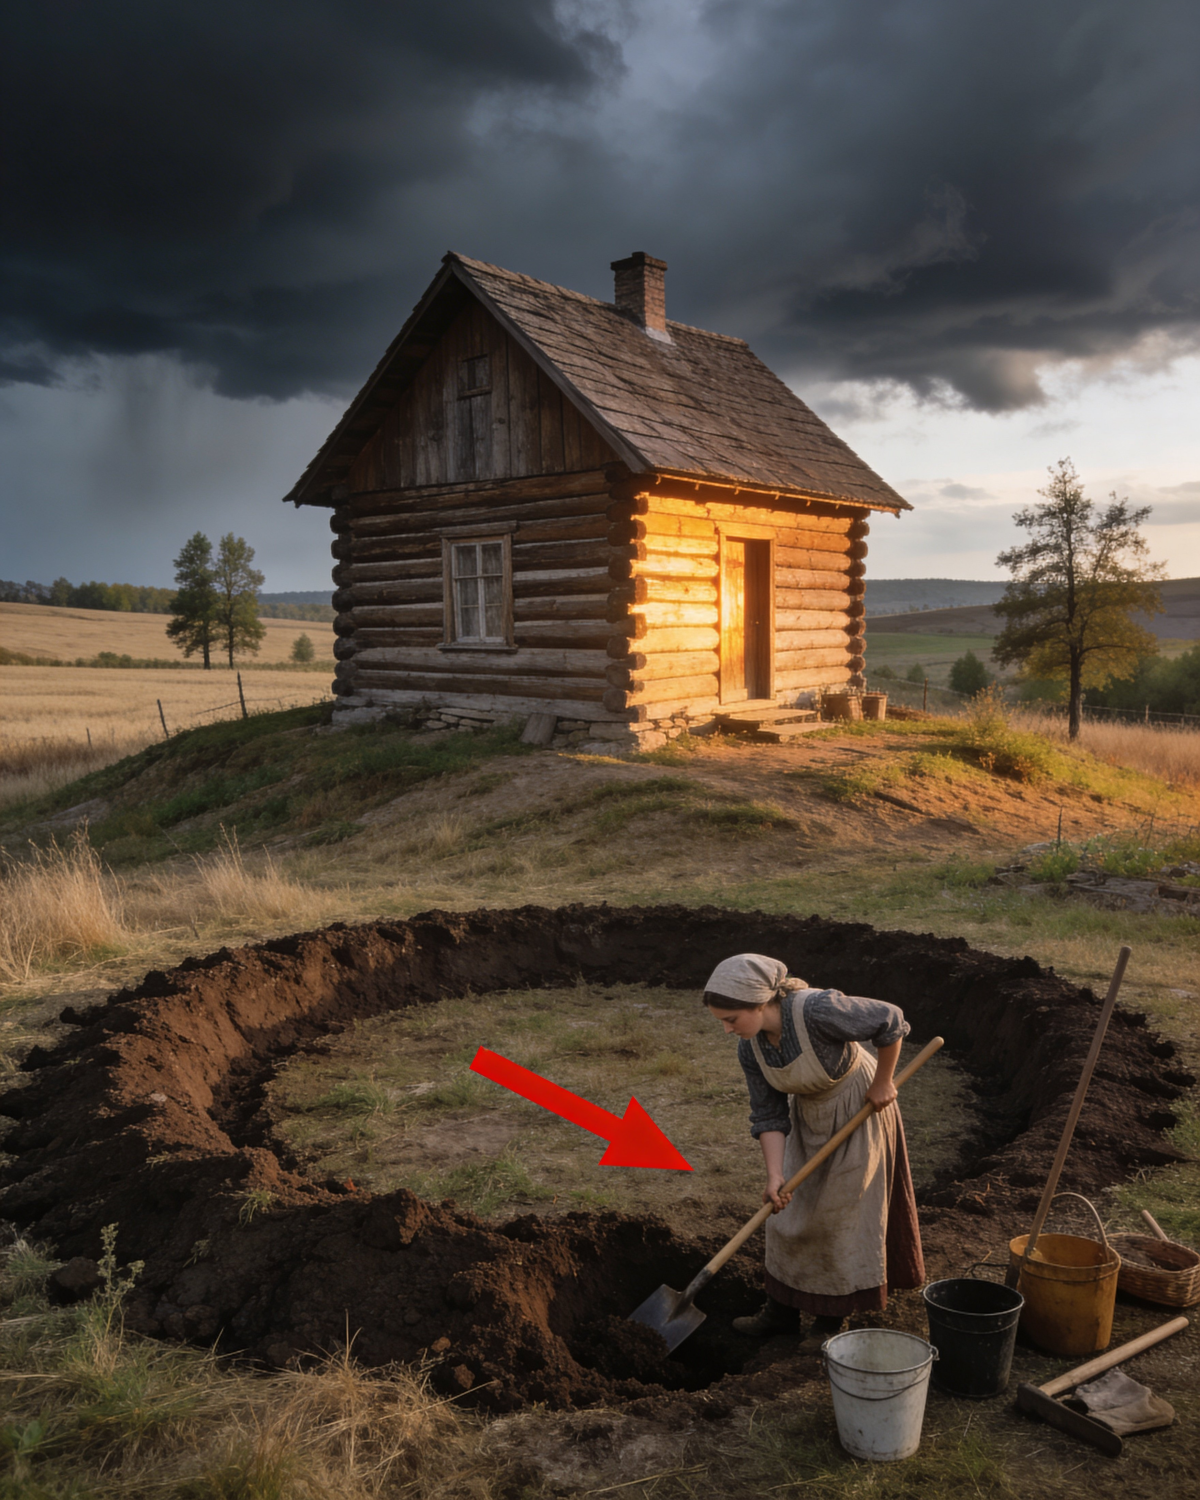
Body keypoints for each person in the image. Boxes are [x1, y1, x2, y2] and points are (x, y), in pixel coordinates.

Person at [704, 953, 924, 1341]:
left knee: (841, 1216)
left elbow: (890, 1019)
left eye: (731, 1019)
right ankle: (780, 1312)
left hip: (860, 1107)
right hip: (809, 1115)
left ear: (759, 1003)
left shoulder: (818, 1010)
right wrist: (775, 1176)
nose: (726, 1030)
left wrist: (884, 1082)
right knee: (787, 1214)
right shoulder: (750, 1048)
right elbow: (768, 1115)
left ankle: (830, 1321)